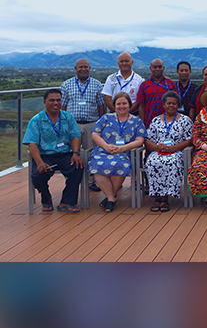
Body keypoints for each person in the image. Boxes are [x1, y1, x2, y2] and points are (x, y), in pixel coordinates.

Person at [23, 89, 84, 213]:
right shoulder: (36, 120)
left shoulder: (68, 117)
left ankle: (67, 201)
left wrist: (76, 153)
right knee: (38, 174)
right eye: (52, 100)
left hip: (64, 154)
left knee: (78, 166)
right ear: (45, 102)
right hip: (44, 155)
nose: (55, 103)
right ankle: (46, 198)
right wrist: (39, 162)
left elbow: (75, 136)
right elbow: (32, 145)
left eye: (58, 100)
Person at [89, 92, 146, 212]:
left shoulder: (137, 121)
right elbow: (95, 134)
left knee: (121, 163)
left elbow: (140, 140)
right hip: (104, 151)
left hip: (125, 152)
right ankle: (111, 198)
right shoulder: (106, 118)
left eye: (124, 103)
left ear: (129, 105)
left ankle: (110, 198)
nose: (121, 106)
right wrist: (106, 146)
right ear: (114, 105)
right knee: (97, 164)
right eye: (118, 104)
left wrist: (123, 148)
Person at [60, 57, 105, 191]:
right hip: (72, 125)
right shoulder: (66, 85)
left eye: (86, 66)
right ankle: (71, 181)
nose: (83, 69)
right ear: (75, 69)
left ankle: (92, 181)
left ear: (90, 68)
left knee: (92, 154)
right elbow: (63, 106)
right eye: (80, 67)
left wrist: (100, 124)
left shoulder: (97, 85)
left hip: (92, 124)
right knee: (72, 153)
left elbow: (101, 106)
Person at [144, 91, 193, 212]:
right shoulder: (155, 120)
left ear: (178, 105)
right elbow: (147, 140)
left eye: (174, 103)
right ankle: (157, 197)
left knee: (171, 162)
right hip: (158, 151)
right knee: (152, 162)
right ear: (164, 105)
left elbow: (189, 140)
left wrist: (174, 148)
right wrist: (156, 147)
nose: (171, 105)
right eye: (168, 103)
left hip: (177, 152)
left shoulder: (185, 120)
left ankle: (165, 198)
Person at [136, 58, 177, 128]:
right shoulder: (144, 85)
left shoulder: (171, 84)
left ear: (163, 68)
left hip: (169, 123)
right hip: (149, 123)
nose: (157, 69)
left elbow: (176, 104)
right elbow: (141, 106)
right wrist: (142, 124)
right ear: (150, 68)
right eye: (155, 67)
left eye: (160, 67)